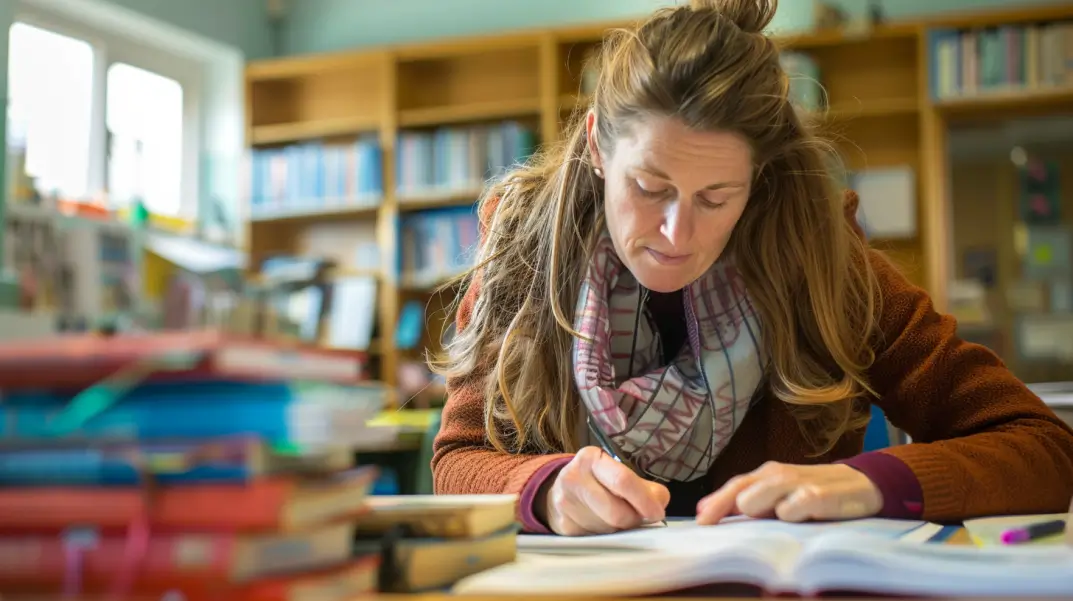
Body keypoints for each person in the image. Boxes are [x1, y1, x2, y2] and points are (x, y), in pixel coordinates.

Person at [430, 0, 1073, 536]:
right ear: (598, 144)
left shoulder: (820, 261)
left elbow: (1042, 447)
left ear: (755, 178)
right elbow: (456, 462)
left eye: (716, 197)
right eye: (650, 187)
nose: (677, 233)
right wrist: (540, 490)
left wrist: (867, 483)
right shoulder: (523, 250)